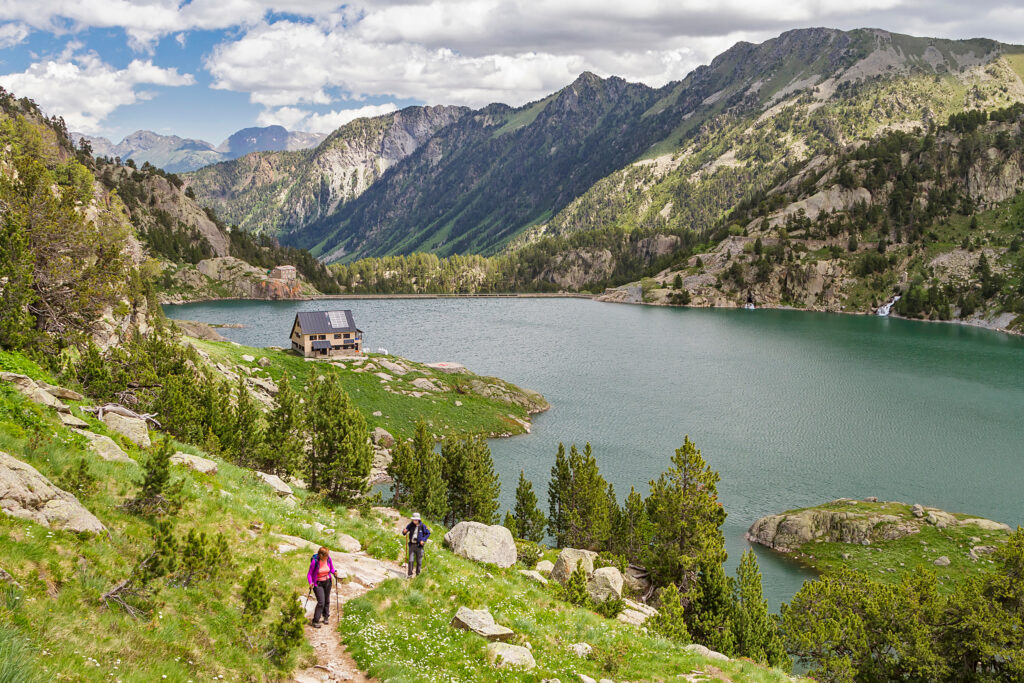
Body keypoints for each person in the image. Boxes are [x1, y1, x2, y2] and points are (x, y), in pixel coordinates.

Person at [307, 546, 337, 628]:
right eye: (326, 555)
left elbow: (331, 569)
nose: (328, 556)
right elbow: (309, 574)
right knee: (321, 602)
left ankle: (326, 616)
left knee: (327, 600)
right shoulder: (315, 562)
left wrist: (334, 573)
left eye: (328, 554)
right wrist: (310, 582)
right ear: (321, 555)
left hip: (328, 582)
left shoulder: (328, 559)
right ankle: (315, 620)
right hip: (318, 583)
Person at [401, 512, 431, 577]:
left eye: (416, 520)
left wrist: (423, 540)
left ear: (418, 520)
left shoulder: (422, 526)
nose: (415, 521)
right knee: (410, 560)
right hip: (411, 545)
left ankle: (418, 574)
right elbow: (404, 533)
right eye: (414, 519)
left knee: (419, 561)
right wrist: (404, 531)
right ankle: (410, 575)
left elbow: (428, 533)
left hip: (419, 546)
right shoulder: (410, 525)